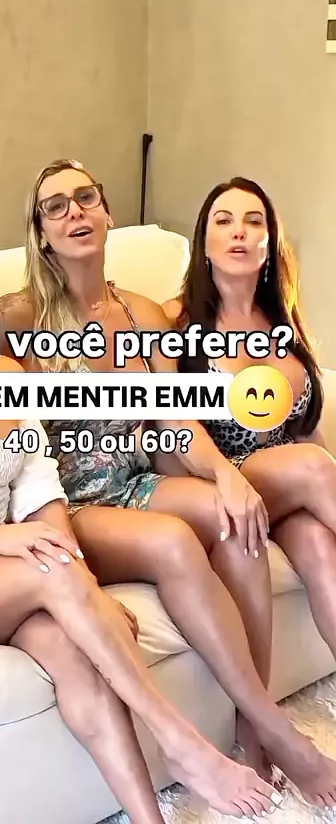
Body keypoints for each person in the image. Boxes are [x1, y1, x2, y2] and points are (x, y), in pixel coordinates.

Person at [0, 222, 288, 824]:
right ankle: (180, 742)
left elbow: (41, 488)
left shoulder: (3, 378)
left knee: (75, 657)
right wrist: (9, 541)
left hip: (10, 573)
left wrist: (85, 592)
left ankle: (149, 819)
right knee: (49, 567)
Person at [0, 158, 336, 810]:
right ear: (40, 231)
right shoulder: (17, 319)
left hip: (135, 481)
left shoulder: (143, 313)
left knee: (233, 517)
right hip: (67, 502)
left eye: (85, 198)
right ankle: (276, 730)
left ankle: (252, 727)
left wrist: (226, 476)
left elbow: (175, 420)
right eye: (55, 206)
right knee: (175, 539)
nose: (74, 212)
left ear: (107, 212)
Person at [162, 175, 336, 723]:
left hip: (286, 485)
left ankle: (257, 731)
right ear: (204, 243)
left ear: (269, 242)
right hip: (222, 479)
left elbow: (306, 430)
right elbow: (174, 424)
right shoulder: (176, 320)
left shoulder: (284, 320)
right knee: (313, 468)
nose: (239, 231)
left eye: (253, 221)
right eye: (224, 221)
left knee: (319, 547)